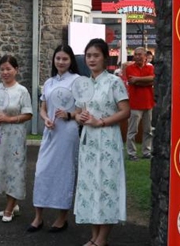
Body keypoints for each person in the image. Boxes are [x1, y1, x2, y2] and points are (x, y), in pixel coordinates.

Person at [74, 38, 131, 246]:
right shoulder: (84, 84)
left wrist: (102, 121)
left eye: (96, 55)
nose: (91, 59)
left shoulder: (114, 82)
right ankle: (94, 236)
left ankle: (102, 238)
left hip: (107, 139)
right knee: (90, 185)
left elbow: (126, 111)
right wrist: (77, 117)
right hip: (88, 141)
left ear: (105, 58)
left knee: (106, 186)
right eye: (88, 55)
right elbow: (78, 111)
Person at [29, 45, 80, 233]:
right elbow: (43, 108)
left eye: (65, 59)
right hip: (50, 131)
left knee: (64, 172)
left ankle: (61, 218)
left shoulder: (78, 81)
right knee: (41, 171)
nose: (61, 62)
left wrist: (69, 114)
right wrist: (46, 119)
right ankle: (38, 217)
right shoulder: (49, 82)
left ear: (71, 61)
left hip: (67, 133)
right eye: (58, 58)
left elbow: (83, 109)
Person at [0, 55, 33, 222]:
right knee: (3, 168)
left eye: (9, 69)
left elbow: (28, 114)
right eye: (2, 69)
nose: (5, 72)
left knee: (15, 169)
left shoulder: (22, 91)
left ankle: (9, 208)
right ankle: (13, 205)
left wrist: (9, 119)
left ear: (16, 70)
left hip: (15, 137)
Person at [125, 47, 155, 161]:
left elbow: (153, 79)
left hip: (149, 103)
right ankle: (131, 153)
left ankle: (146, 151)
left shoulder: (150, 68)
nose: (137, 56)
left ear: (145, 57)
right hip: (135, 104)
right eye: (135, 54)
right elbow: (132, 81)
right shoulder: (129, 68)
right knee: (132, 130)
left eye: (139, 55)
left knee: (149, 130)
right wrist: (147, 81)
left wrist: (138, 80)